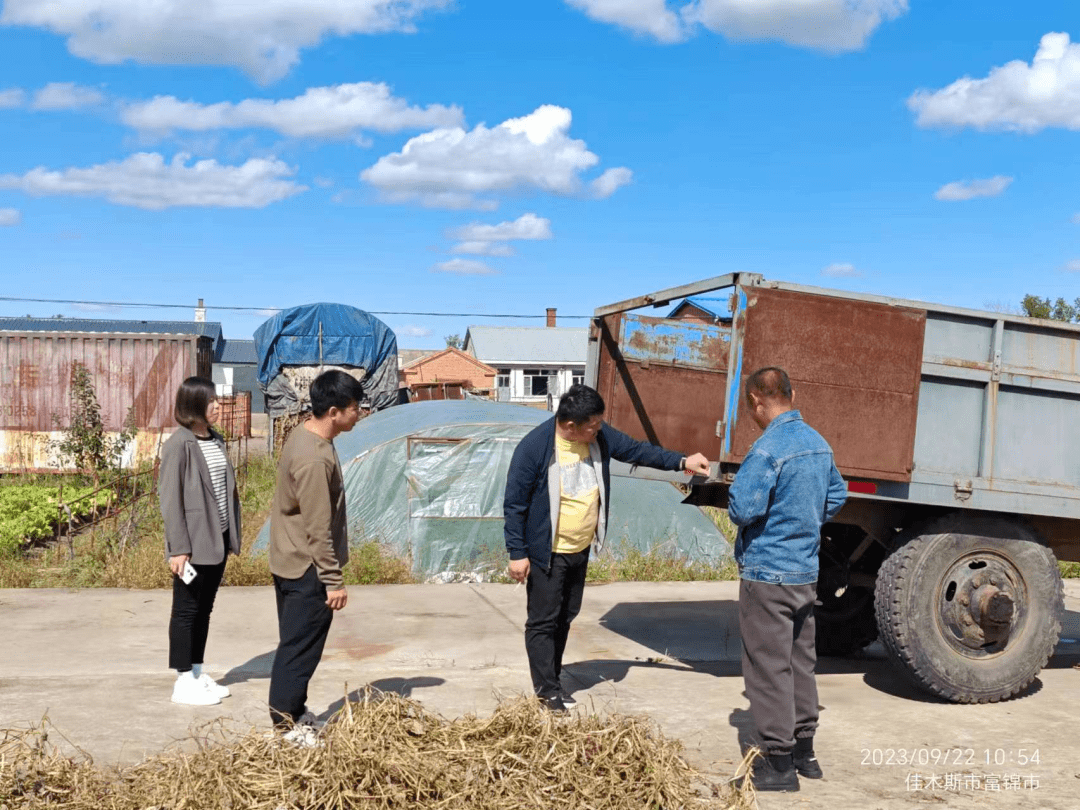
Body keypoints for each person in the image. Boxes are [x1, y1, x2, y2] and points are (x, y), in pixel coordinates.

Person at [504, 383, 710, 712]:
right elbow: (514, 504)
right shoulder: (535, 449)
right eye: (593, 425)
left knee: (565, 617)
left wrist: (682, 460)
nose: (599, 429)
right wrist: (517, 553)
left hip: (579, 548)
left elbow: (638, 451)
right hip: (547, 552)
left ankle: (552, 677)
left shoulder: (597, 437)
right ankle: (547, 692)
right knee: (543, 621)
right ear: (570, 426)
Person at [727, 367, 847, 792]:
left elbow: (743, 508)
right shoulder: (818, 443)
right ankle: (805, 754)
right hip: (805, 573)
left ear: (758, 402)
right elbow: (837, 494)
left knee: (768, 667)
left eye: (751, 409)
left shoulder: (768, 448)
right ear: (792, 394)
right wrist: (806, 519)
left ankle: (778, 765)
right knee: (800, 662)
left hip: (768, 573)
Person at [267, 369, 364, 744]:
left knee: (294, 644)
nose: (360, 413)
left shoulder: (304, 435)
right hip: (307, 568)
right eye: (355, 408)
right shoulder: (314, 459)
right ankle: (286, 726)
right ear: (335, 411)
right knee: (299, 650)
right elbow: (318, 528)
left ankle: (293, 711)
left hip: (290, 559)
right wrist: (333, 580)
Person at [159, 376, 242, 706]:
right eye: (211, 403)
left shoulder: (216, 439)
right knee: (185, 611)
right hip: (191, 545)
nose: (218, 407)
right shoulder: (179, 444)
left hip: (216, 538)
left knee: (204, 609)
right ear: (193, 406)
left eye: (217, 402)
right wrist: (178, 548)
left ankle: (196, 671)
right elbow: (169, 499)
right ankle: (182, 680)